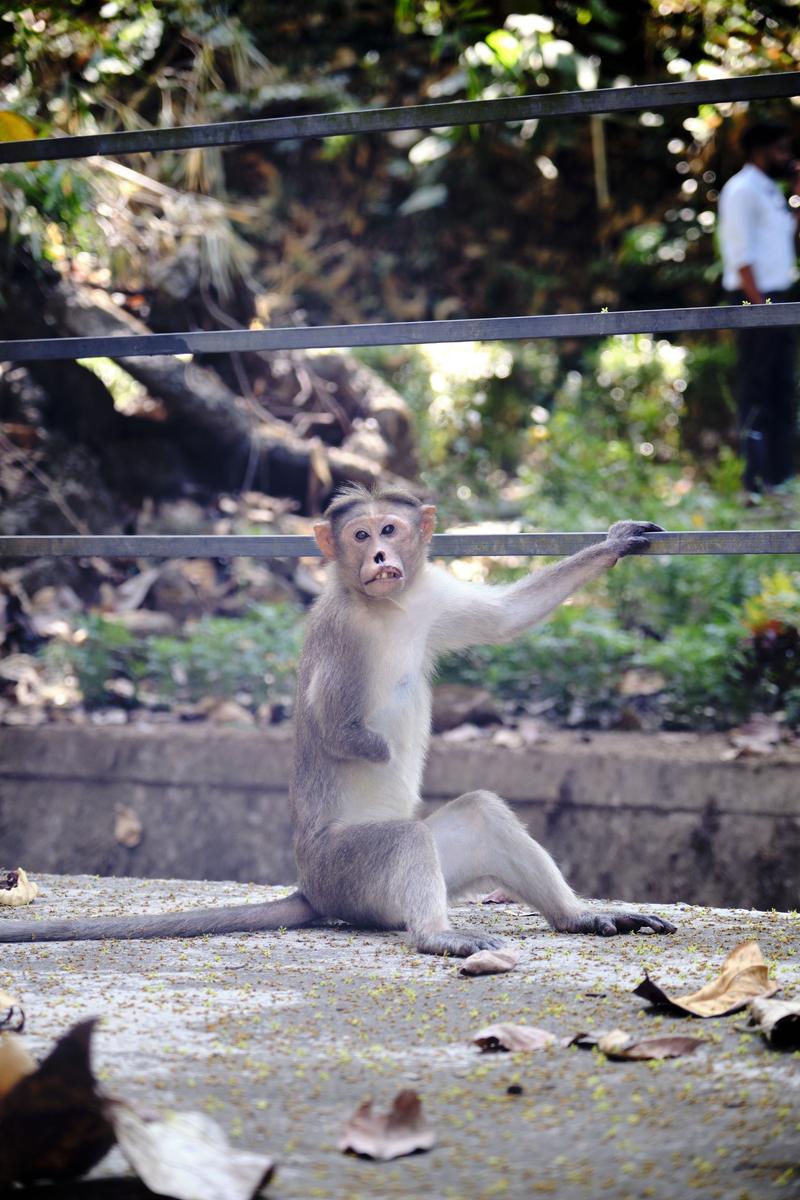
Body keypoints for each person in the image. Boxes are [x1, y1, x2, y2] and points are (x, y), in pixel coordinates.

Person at [718, 121, 800, 495]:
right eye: (779, 150)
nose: (786, 157)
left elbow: (784, 241)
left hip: (779, 297)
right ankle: (753, 483)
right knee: (756, 392)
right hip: (757, 300)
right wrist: (762, 308)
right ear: (759, 151)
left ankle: (779, 479)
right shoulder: (741, 190)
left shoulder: (770, 192)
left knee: (782, 389)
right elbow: (742, 257)